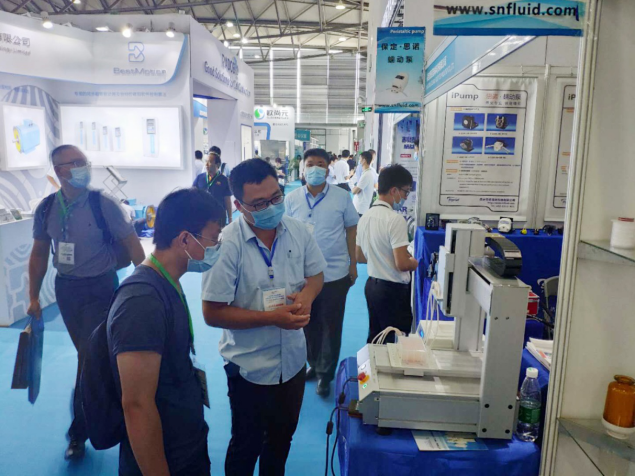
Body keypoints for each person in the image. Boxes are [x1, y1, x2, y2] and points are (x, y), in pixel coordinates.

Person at [202, 158, 326, 476]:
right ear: (239, 206)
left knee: (281, 441)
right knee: (246, 444)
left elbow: (316, 275)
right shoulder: (227, 245)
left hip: (293, 361)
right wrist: (270, 318)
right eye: (259, 204)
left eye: (276, 197)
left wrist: (307, 297)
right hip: (249, 366)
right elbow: (212, 312)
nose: (271, 207)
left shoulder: (298, 231)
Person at [27, 144, 145, 460]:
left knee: (89, 358)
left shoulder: (103, 204)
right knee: (94, 358)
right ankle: (108, 422)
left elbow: (133, 245)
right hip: (67, 291)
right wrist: (33, 296)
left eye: (84, 161)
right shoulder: (46, 208)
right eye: (76, 162)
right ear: (59, 171)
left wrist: (146, 287)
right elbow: (39, 253)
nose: (84, 167)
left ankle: (81, 432)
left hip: (101, 288)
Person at [108, 188, 224, 476]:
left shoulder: (166, 280)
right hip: (167, 457)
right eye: (214, 238)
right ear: (185, 239)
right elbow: (136, 405)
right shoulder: (141, 302)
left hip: (184, 439)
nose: (217, 247)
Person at [285, 148, 359, 397]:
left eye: (320, 164)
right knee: (307, 324)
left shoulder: (341, 197)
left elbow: (351, 229)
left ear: (328, 169)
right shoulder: (292, 198)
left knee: (331, 325)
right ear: (303, 168)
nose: (315, 168)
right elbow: (285, 234)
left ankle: (325, 374)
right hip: (302, 276)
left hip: (334, 273)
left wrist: (352, 263)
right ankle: (314, 364)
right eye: (310, 164)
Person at [356, 164, 418, 343]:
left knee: (376, 337)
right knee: (395, 340)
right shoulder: (395, 219)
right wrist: (416, 262)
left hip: (372, 287)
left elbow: (360, 257)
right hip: (393, 291)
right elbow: (402, 264)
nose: (405, 197)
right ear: (394, 190)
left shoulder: (365, 216)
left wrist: (380, 256)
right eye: (405, 192)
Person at [192, 151, 233, 225]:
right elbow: (193, 195)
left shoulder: (224, 180)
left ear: (217, 164)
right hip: (203, 215)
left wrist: (230, 217)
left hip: (219, 216)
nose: (206, 165)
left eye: (210, 162)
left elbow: (227, 200)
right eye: (206, 161)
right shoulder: (200, 178)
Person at [352, 151, 376, 216]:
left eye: (360, 159)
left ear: (364, 160)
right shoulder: (366, 173)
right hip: (360, 207)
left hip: (361, 209)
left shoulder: (367, 175)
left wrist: (355, 188)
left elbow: (354, 191)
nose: (359, 161)